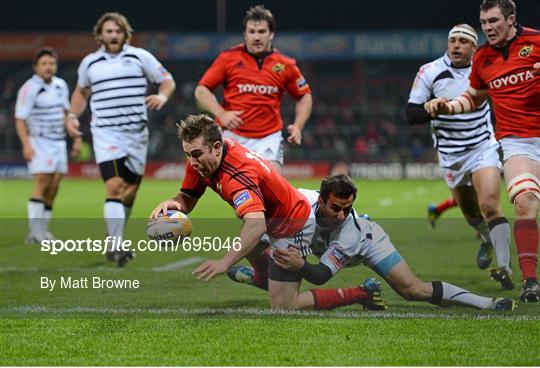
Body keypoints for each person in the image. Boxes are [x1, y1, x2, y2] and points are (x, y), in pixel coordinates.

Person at [150, 114, 384, 311]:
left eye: (197, 154)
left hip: (291, 223)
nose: (192, 162)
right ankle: (262, 277)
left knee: (284, 305)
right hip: (268, 215)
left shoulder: (238, 177)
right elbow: (187, 200)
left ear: (217, 147)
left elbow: (256, 225)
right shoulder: (203, 160)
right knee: (249, 244)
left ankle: (363, 292)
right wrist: (174, 204)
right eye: (188, 154)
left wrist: (224, 262)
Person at [228, 175, 516, 311]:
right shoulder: (300, 202)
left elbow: (319, 276)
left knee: (413, 290)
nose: (342, 214)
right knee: (255, 238)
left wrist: (300, 263)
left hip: (368, 242)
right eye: (336, 207)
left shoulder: (350, 232)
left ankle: (487, 304)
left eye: (348, 207)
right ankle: (258, 277)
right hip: (313, 245)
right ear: (320, 199)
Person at [424, 0, 539, 302]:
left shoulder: (537, 43)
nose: (487, 27)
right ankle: (530, 282)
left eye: (493, 21)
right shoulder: (483, 58)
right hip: (517, 142)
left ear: (511, 20)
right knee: (524, 201)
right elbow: (474, 97)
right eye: (483, 22)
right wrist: (447, 106)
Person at [407, 24, 513, 289]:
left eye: (463, 41)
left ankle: (505, 267)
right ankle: (487, 238)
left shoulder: (486, 68)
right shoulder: (429, 72)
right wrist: (433, 109)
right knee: (471, 215)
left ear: (474, 48)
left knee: (490, 204)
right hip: (450, 155)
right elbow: (411, 115)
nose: (456, 45)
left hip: (481, 147)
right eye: (452, 40)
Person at [66, 12, 175, 266]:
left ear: (125, 33)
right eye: (108, 31)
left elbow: (167, 80)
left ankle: (115, 236)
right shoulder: (90, 63)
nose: (113, 35)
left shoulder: (140, 56)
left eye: (117, 31)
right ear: (100, 35)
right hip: (106, 133)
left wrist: (162, 97)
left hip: (137, 134)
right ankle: (116, 246)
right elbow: (81, 92)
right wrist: (72, 114)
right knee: (114, 187)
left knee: (130, 192)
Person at [194, 5, 312, 171]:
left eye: (262, 32)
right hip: (232, 135)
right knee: (233, 190)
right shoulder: (227, 58)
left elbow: (304, 96)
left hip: (268, 137)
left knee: (272, 188)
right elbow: (201, 90)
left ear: (271, 34)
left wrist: (298, 126)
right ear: (245, 34)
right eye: (252, 32)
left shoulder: (285, 64)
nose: (257, 37)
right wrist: (221, 113)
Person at [15, 47, 81, 244]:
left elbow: (67, 114)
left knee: (53, 187)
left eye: (51, 63)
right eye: (44, 64)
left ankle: (42, 230)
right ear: (36, 67)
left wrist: (76, 138)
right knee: (42, 183)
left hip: (58, 142)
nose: (48, 67)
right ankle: (34, 232)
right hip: (39, 141)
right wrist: (27, 145)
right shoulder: (29, 88)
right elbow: (20, 119)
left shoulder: (61, 85)